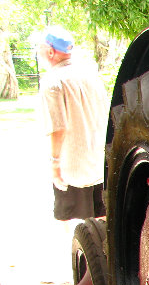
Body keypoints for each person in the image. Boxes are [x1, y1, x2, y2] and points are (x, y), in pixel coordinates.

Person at [38, 26, 107, 221]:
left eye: (39, 48)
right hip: (99, 165)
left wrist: (55, 166)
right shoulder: (91, 76)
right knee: (102, 224)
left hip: (73, 170)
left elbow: (57, 128)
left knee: (74, 228)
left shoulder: (53, 82)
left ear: (50, 52)